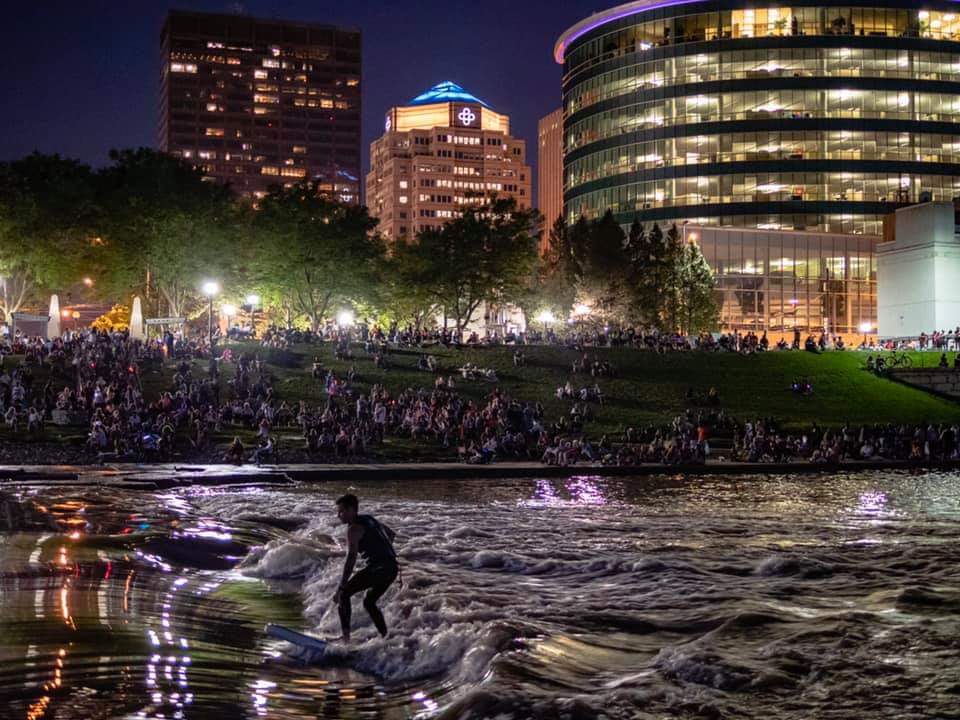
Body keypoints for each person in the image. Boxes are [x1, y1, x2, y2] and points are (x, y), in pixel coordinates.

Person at [332, 494, 400, 642]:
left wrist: (342, 585)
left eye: (341, 511)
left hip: (379, 568)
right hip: (392, 568)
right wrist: (380, 549)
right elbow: (391, 534)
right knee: (369, 602)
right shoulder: (369, 519)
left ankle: (345, 638)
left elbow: (351, 558)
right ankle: (385, 637)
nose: (338, 515)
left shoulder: (353, 529)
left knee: (344, 595)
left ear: (351, 510)